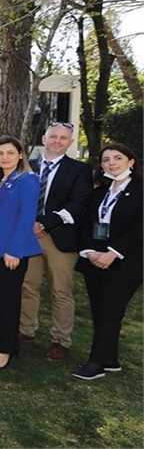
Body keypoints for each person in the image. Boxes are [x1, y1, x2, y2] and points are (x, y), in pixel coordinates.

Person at [19, 122, 93, 362]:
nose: (57, 141)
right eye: (54, 136)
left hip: (60, 238)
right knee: (27, 285)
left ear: (70, 142)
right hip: (28, 236)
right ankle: (26, 329)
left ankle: (61, 340)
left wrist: (45, 224)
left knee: (60, 290)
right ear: (44, 139)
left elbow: (79, 203)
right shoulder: (28, 166)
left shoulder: (79, 170)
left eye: (63, 138)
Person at [72, 144, 142, 380]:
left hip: (126, 263)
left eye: (117, 158)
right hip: (95, 260)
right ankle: (110, 358)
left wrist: (113, 253)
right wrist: (90, 251)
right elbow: (86, 224)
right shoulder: (99, 192)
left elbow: (139, 229)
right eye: (106, 159)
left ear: (131, 161)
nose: (111, 163)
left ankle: (96, 363)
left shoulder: (140, 190)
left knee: (110, 312)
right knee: (99, 310)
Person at [0, 135, 41, 371]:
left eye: (10, 153)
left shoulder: (26, 180)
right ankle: (8, 344)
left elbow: (27, 218)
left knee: (7, 301)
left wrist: (14, 250)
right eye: (0, 153)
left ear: (20, 155)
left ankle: (4, 351)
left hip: (10, 252)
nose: (5, 157)